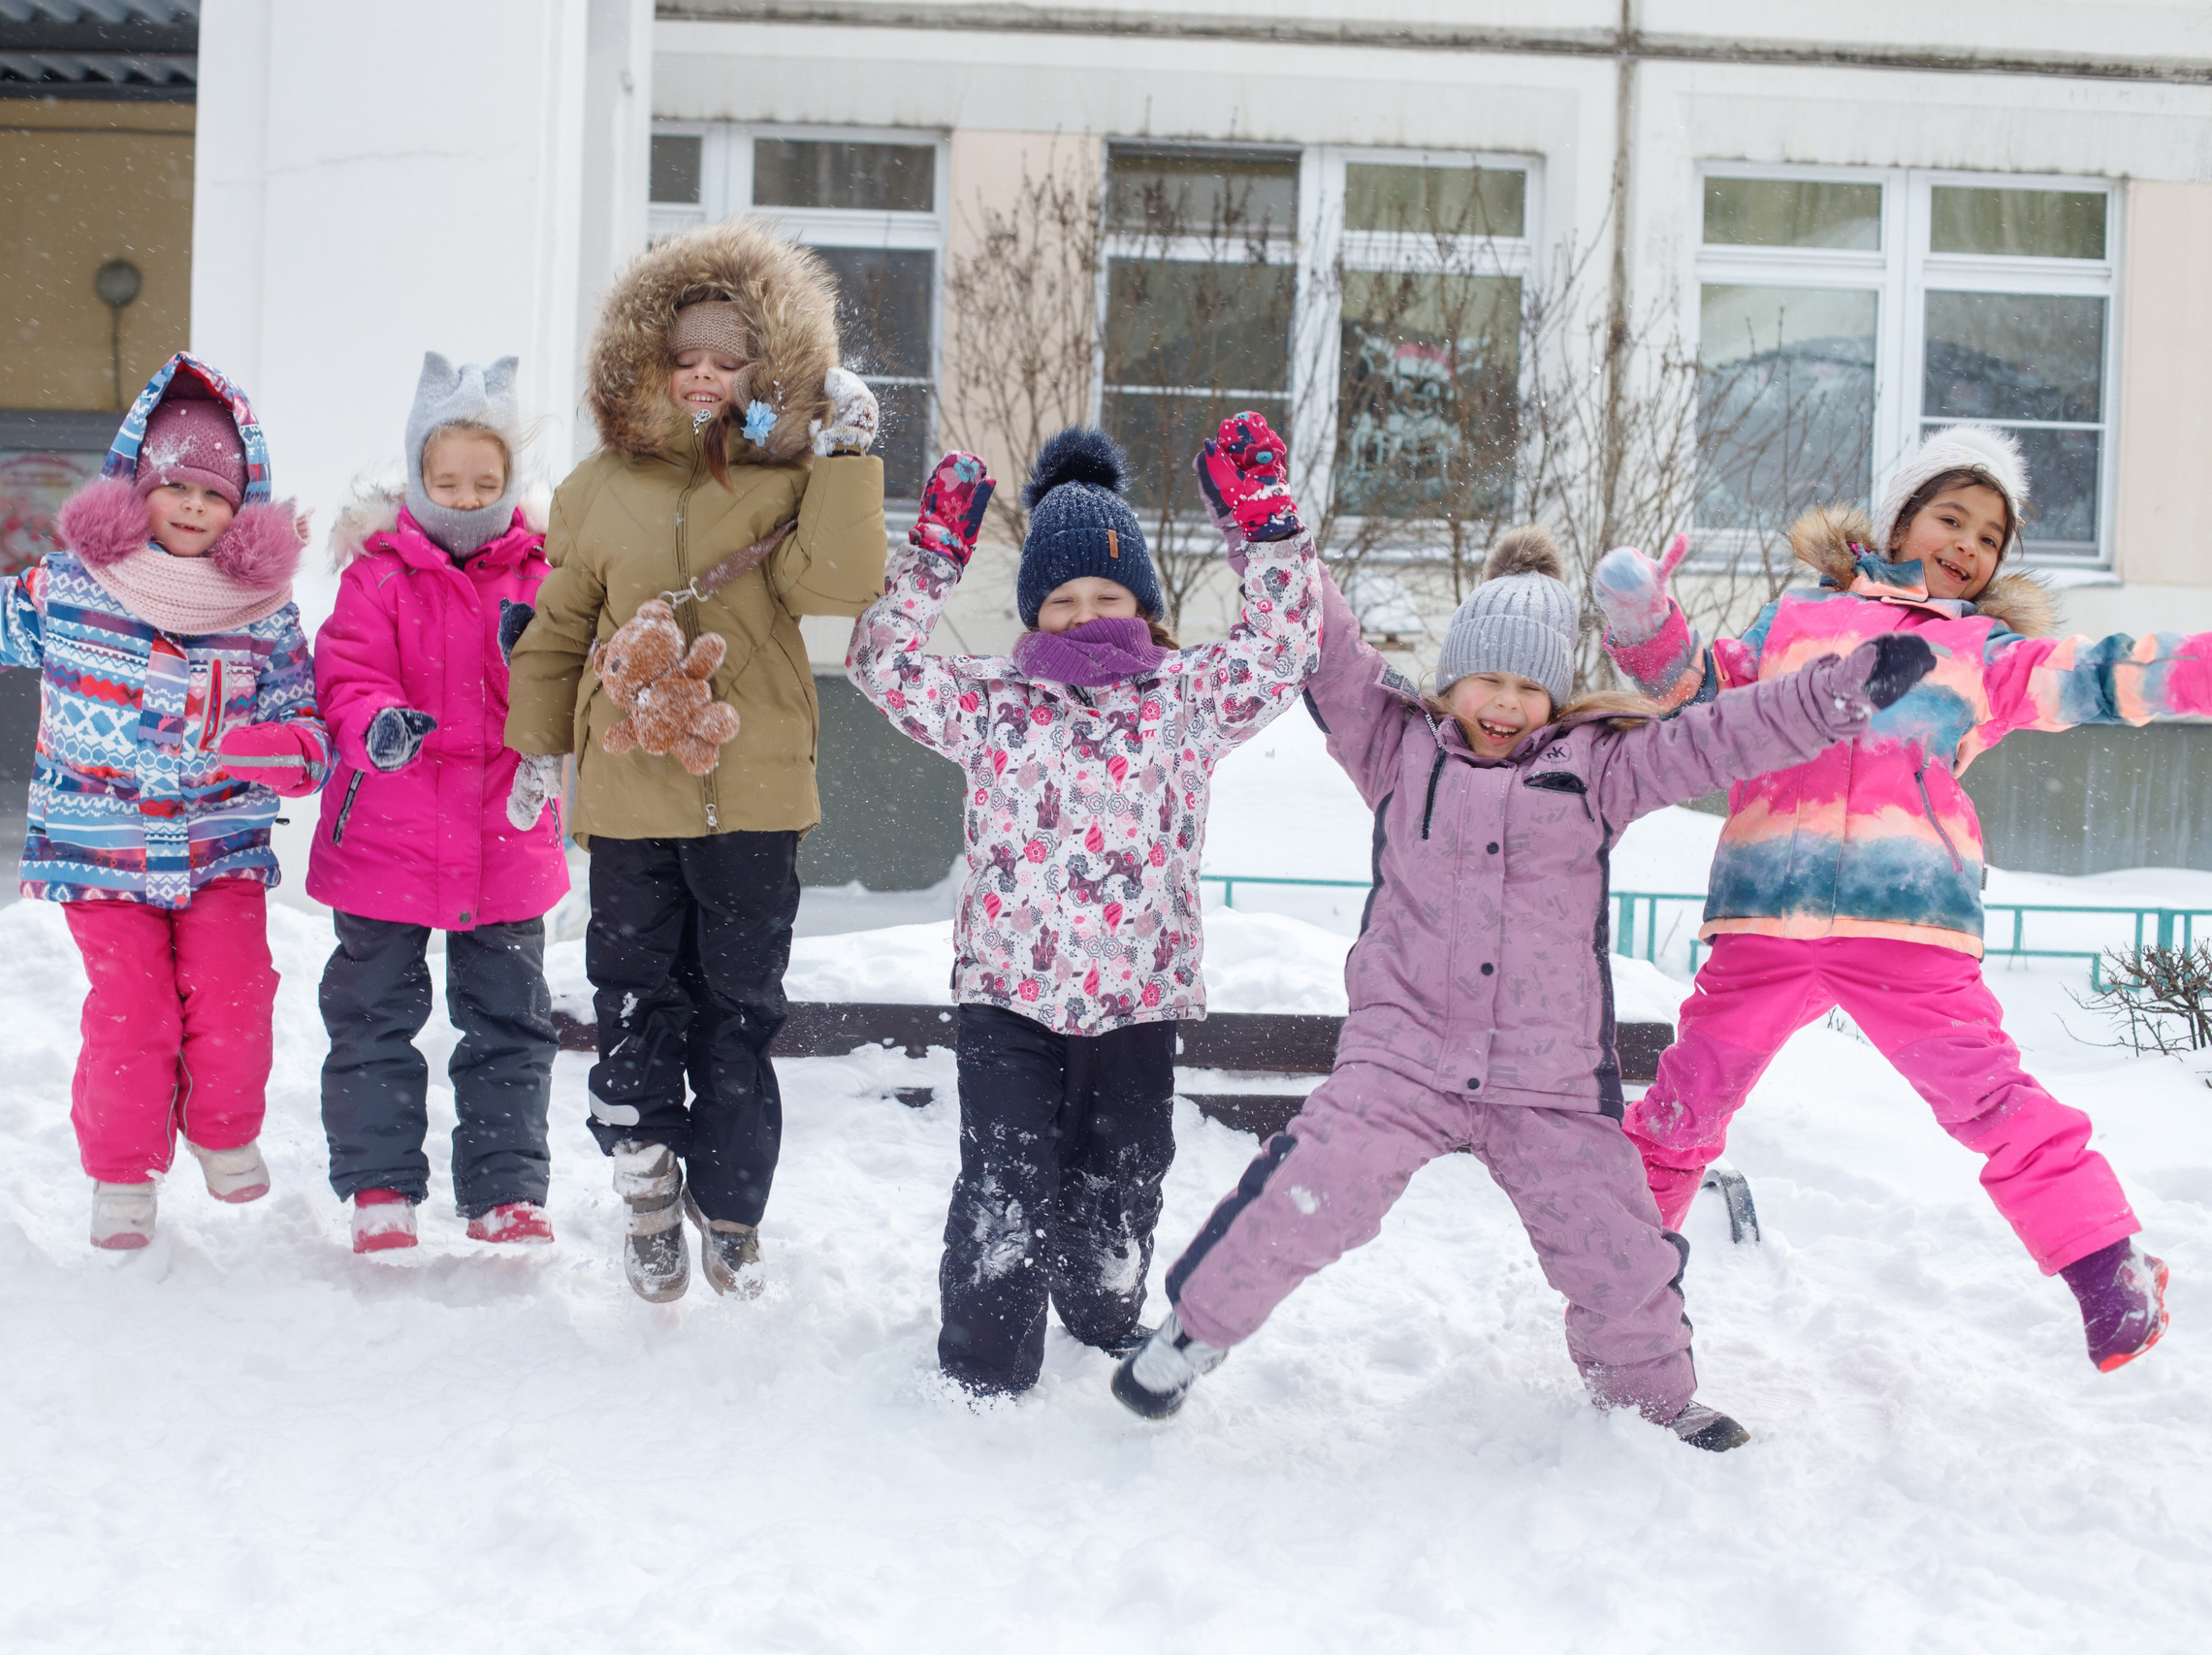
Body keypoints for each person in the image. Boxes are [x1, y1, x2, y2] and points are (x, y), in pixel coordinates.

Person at [1112, 523, 1939, 1440]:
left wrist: (1838, 692)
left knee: (1616, 1246)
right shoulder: (1396, 749)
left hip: (1546, 1079)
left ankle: (1651, 1403)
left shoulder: (1599, 770)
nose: (1506, 703)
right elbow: (1330, 642)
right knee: (1311, 1190)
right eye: (1488, 680)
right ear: (1453, 677)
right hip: (1403, 1060)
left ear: (1556, 694)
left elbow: (1721, 733)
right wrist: (1268, 535)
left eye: (1529, 686)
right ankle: (1193, 1334)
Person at [1592, 423, 2187, 1372]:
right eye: (1950, 516)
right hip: (1765, 915)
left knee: (1987, 1097)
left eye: (1988, 536)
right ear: (1897, 522)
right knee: (1683, 1103)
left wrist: (2189, 669)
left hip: (1906, 921)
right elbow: (1700, 694)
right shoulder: (1790, 625)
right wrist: (1644, 621)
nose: (1966, 543)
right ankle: (1616, 1282)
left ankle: (2106, 1270)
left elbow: (2089, 676)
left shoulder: (1978, 650)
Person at [848, 416, 1321, 1396]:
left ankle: (1104, 1312)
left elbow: (1283, 650)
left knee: (1124, 1172)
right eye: (1061, 599)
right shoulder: (992, 700)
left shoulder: (1187, 695)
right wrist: (931, 560)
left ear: (1143, 603)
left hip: (1138, 995)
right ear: (1032, 611)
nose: (1084, 614)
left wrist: (1266, 537)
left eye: (1107, 593)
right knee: (1002, 1181)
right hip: (1008, 996)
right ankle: (984, 1368)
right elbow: (881, 666)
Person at [0, 353, 327, 1249]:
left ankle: (220, 1131)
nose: (193, 508)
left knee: (236, 990)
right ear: (139, 485)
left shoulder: (264, 611)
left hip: (219, 848)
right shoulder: (72, 586)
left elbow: (306, 727)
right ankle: (123, 1173)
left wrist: (277, 750)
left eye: (215, 496)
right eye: (176, 487)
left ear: (240, 507)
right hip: (100, 848)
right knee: (134, 1008)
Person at [504, 218, 887, 1301]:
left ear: (763, 374)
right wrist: (536, 743)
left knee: (738, 1005)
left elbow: (838, 587)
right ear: (649, 367)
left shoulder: (787, 477)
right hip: (630, 792)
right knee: (633, 993)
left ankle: (731, 1208)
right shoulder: (593, 489)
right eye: (687, 361)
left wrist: (849, 464)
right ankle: (643, 1175)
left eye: (729, 363)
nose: (705, 379)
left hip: (755, 791)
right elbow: (560, 624)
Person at [306, 353, 567, 1256]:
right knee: (374, 1013)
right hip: (387, 832)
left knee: (508, 1020)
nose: (463, 497)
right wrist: (377, 723)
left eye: (483, 482)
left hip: (507, 833)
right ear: (416, 476)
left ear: (510, 482)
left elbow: (564, 683)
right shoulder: (376, 576)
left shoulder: (544, 576)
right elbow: (347, 673)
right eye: (445, 479)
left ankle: (506, 1191)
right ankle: (380, 1187)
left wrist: (537, 665)